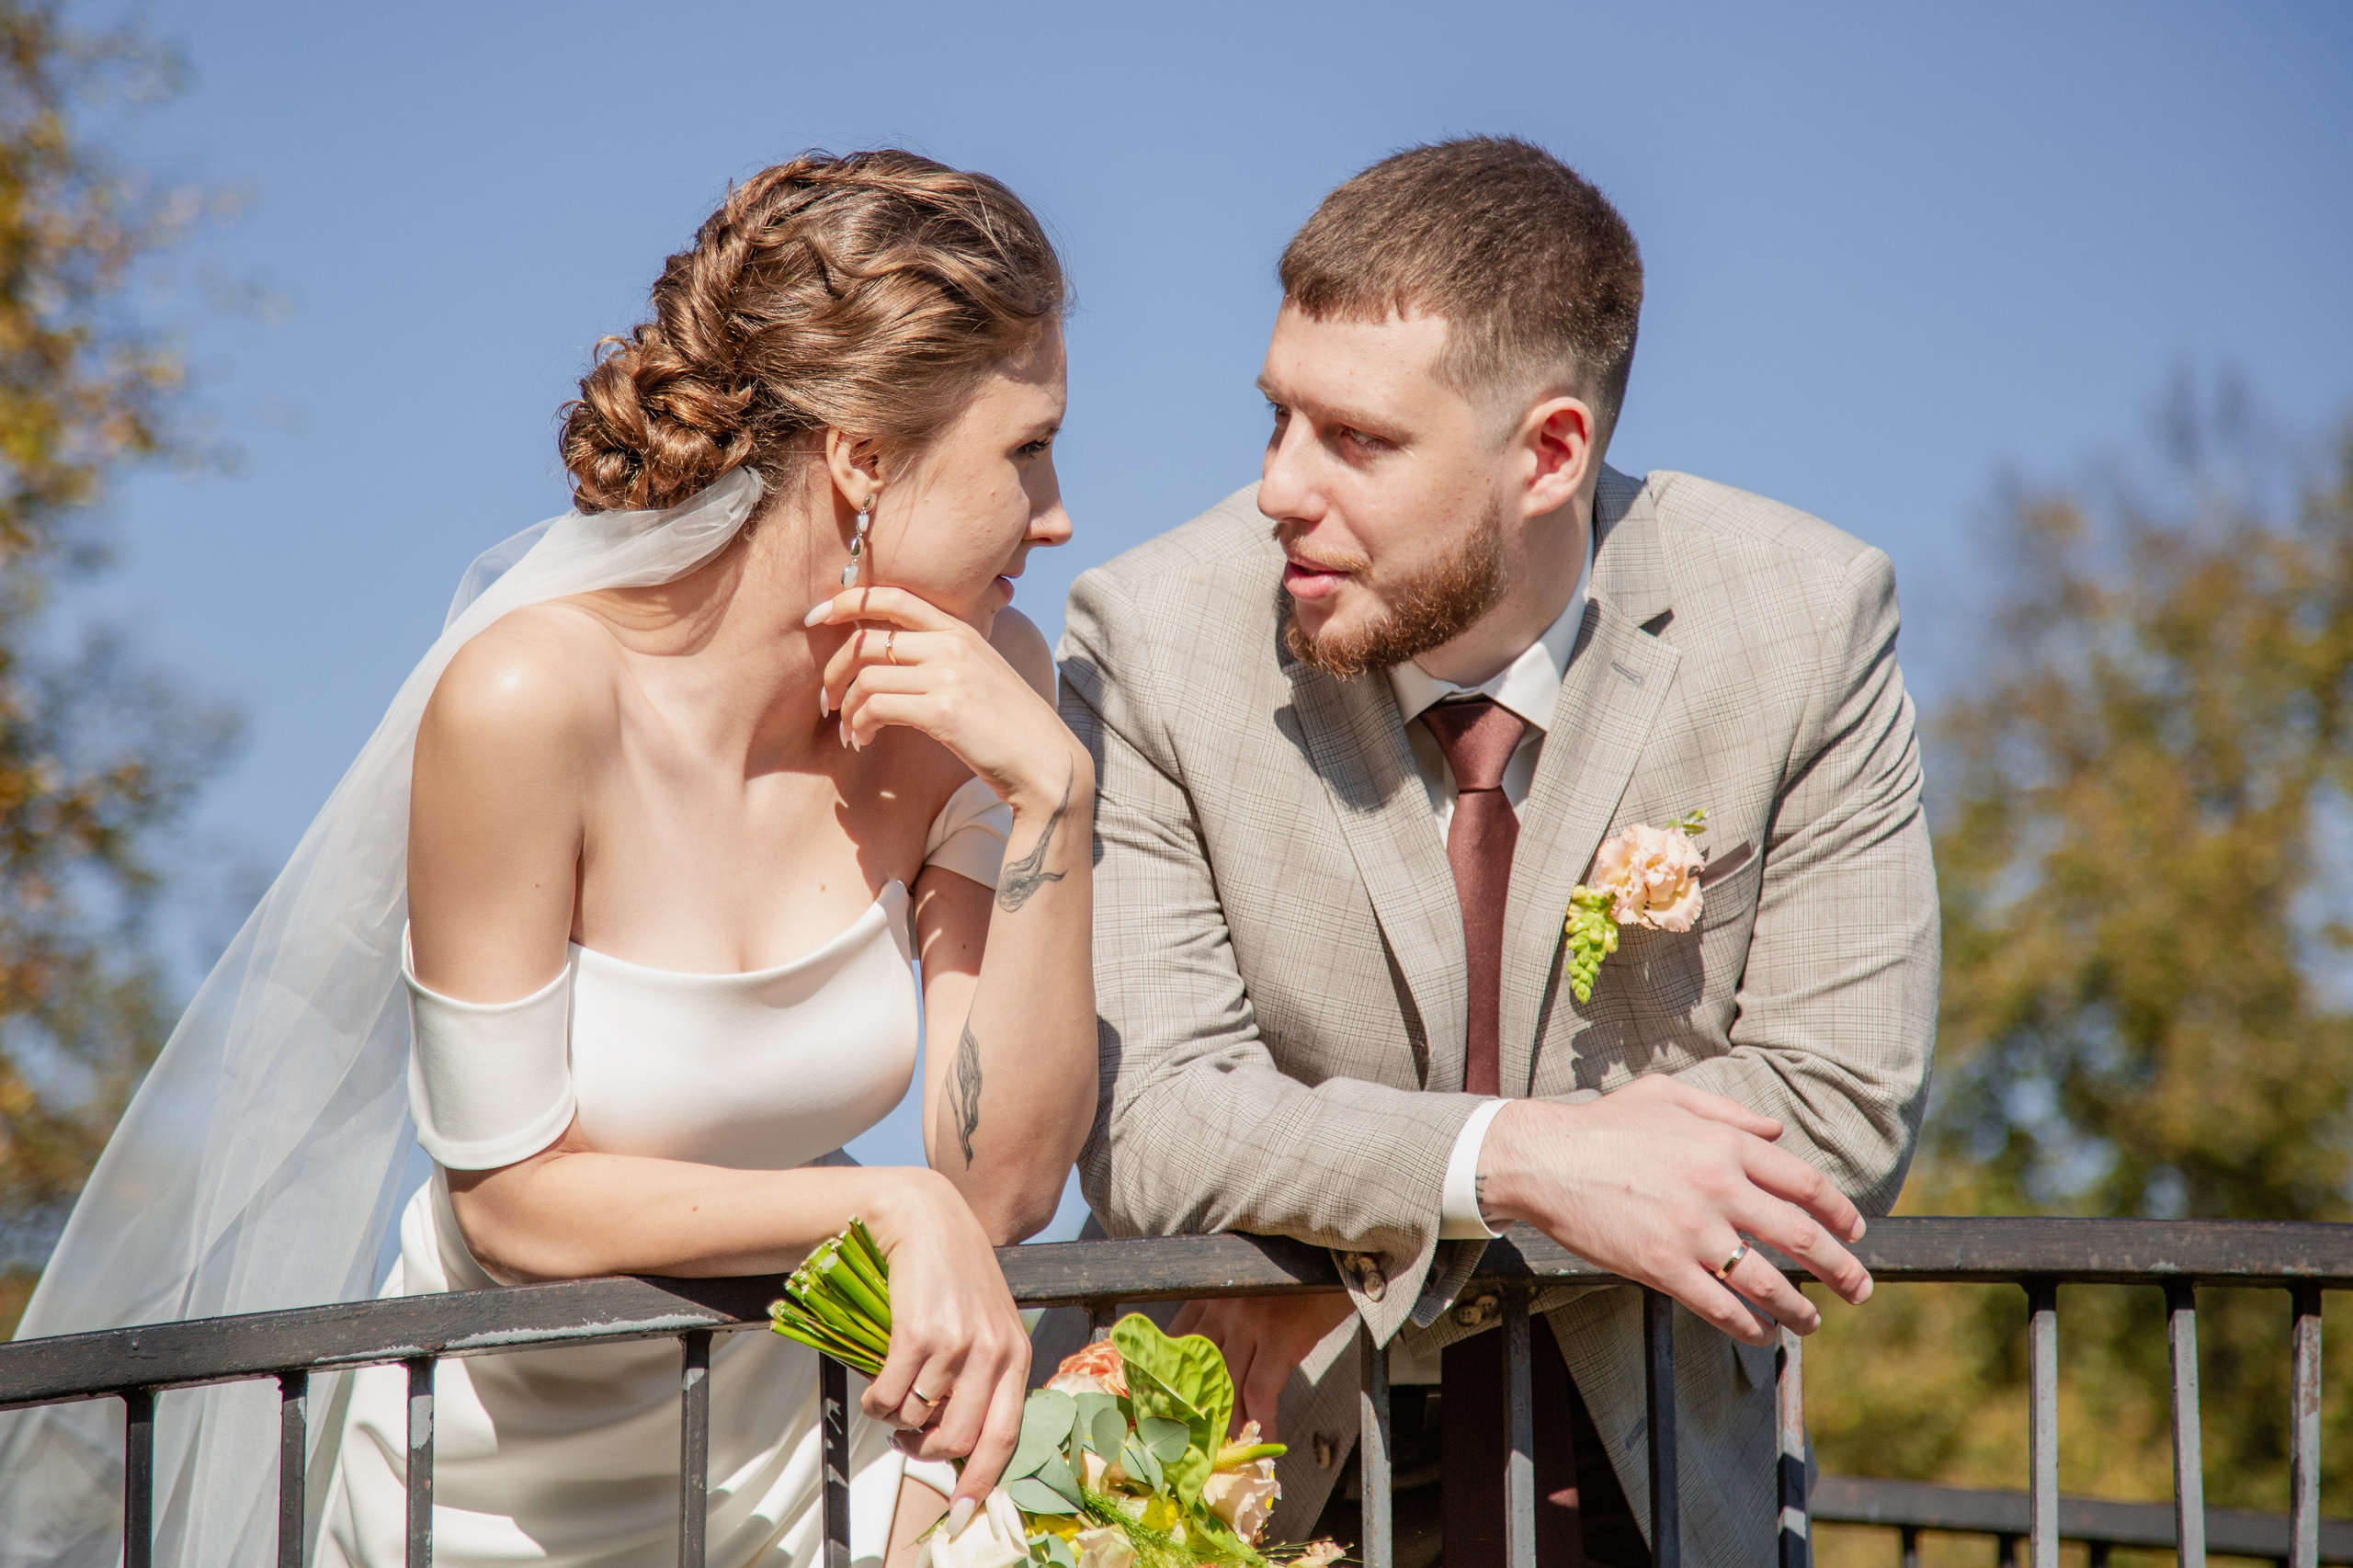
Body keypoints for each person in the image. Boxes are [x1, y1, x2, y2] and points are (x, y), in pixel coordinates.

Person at [3, 151, 1097, 1568]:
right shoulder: (532, 701)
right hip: (496, 1487)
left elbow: (1001, 1186)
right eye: (1027, 449)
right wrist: (877, 1198)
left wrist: (1055, 801)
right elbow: (507, 1197)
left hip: (805, 1465)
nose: (1059, 511)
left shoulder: (987, 687)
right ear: (864, 458)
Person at [1053, 137, 1936, 1568]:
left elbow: (1832, 1117)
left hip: (1646, 1482)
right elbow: (1157, 1122)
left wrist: (1347, 1237)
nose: (1281, 487)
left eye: (1358, 441)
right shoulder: (1151, 639)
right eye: (1276, 418)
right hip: (1233, 1480)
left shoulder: (1805, 623)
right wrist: (1519, 1161)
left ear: (1549, 453)